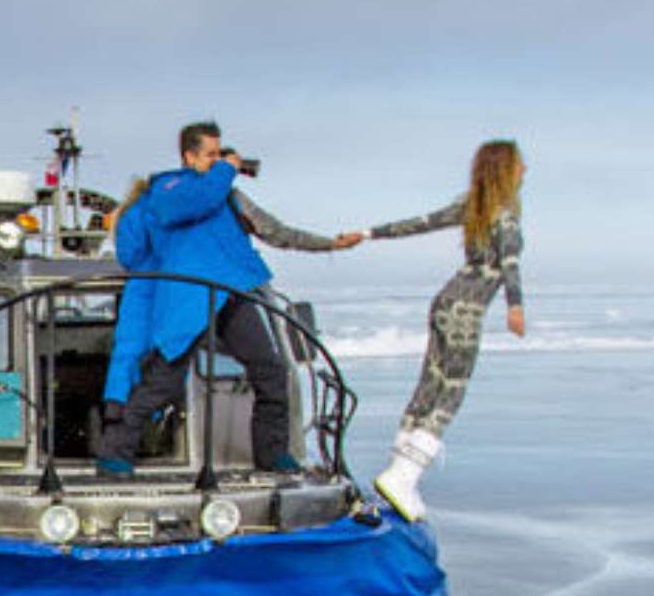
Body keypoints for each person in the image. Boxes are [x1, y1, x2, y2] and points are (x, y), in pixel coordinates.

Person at [99, 121, 364, 475]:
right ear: (189, 156)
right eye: (210, 154)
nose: (218, 160)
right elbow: (174, 214)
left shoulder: (226, 194)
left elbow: (275, 231)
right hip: (188, 296)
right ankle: (116, 453)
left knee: (270, 369)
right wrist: (226, 169)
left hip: (231, 291)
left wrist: (329, 243)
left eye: (219, 154)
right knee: (163, 382)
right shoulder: (168, 188)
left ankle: (272, 454)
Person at [360, 140, 527, 521]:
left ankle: (400, 474)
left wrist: (369, 232)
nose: (524, 172)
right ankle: (403, 476)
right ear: (505, 171)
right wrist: (515, 306)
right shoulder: (504, 217)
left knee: (429, 384)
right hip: (467, 311)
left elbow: (419, 223)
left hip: (444, 302)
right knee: (450, 393)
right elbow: (511, 265)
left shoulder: (474, 209)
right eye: (519, 166)